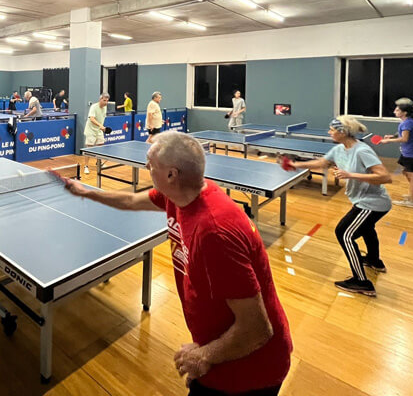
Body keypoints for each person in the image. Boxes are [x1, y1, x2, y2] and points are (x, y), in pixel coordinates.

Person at [64, 131, 292, 395]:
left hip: (249, 368)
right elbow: (130, 200)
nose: (146, 167)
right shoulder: (178, 197)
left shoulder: (214, 233)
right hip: (224, 345)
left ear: (172, 174)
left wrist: (205, 355)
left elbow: (257, 329)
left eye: (150, 164)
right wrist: (87, 193)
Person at [283, 116, 392, 296]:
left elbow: (385, 177)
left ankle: (361, 282)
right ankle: (374, 260)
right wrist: (296, 165)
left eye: (332, 130)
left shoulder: (362, 151)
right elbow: (322, 163)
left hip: (372, 202)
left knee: (344, 233)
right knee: (366, 228)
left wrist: (350, 175)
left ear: (342, 132)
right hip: (362, 200)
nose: (329, 132)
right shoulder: (339, 149)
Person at [379, 98, 413, 208]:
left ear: (404, 112)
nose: (394, 111)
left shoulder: (407, 123)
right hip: (407, 152)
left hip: (411, 153)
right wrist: (392, 136)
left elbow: (405, 139)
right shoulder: (407, 122)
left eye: (397, 110)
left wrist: (388, 140)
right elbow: (403, 135)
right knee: (407, 173)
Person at [82, 93, 110, 174]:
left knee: (100, 145)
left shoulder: (105, 108)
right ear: (100, 99)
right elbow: (92, 118)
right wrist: (100, 125)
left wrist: (101, 127)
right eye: (104, 100)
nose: (106, 102)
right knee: (89, 149)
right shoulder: (94, 107)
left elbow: (102, 118)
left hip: (99, 130)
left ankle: (99, 162)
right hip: (91, 130)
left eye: (107, 101)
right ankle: (86, 166)